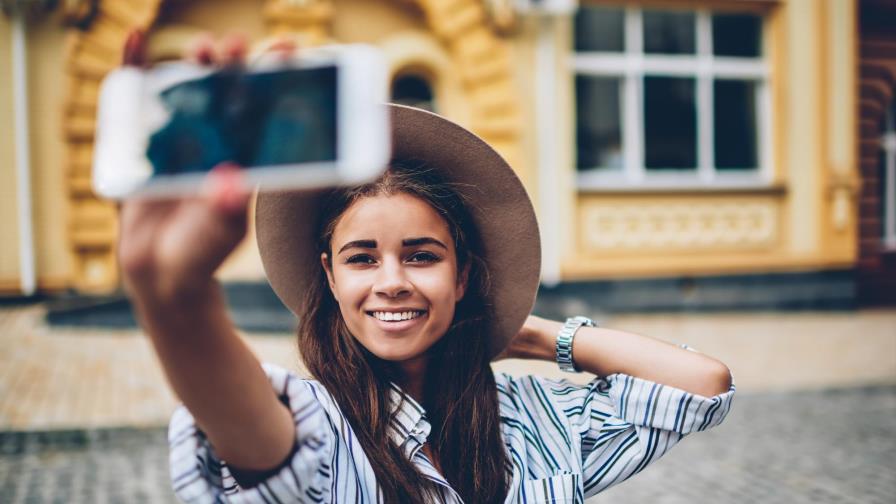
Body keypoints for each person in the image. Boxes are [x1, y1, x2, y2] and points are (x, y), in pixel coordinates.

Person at [118, 32, 734, 503]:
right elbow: (249, 431)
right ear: (330, 277)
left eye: (421, 256)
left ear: (461, 276)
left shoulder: (530, 417)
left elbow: (700, 386)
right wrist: (176, 300)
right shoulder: (320, 423)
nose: (392, 281)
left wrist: (533, 335)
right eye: (362, 258)